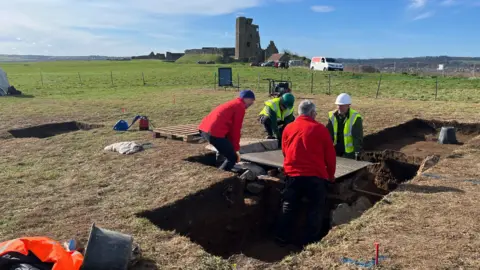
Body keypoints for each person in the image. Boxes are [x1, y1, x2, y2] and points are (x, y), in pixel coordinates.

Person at [275, 100, 336, 247]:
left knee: (288, 204)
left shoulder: (288, 128)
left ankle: (281, 237)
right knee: (315, 207)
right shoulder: (320, 129)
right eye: (315, 113)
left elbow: (284, 150)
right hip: (315, 176)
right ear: (312, 113)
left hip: (293, 175)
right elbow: (330, 156)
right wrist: (331, 175)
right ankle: (309, 242)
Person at [198, 90, 256, 171]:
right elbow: (235, 129)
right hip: (214, 132)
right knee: (232, 157)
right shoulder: (239, 107)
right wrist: (236, 148)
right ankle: (221, 173)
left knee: (226, 147)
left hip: (204, 129)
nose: (252, 103)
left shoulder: (233, 103)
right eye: (252, 100)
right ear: (246, 99)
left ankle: (220, 164)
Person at [326, 93, 364, 160]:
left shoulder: (355, 117)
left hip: (349, 153)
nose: (339, 107)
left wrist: (357, 152)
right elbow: (328, 135)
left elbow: (357, 137)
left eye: (342, 105)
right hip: (336, 149)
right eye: (338, 105)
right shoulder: (332, 116)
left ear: (348, 105)